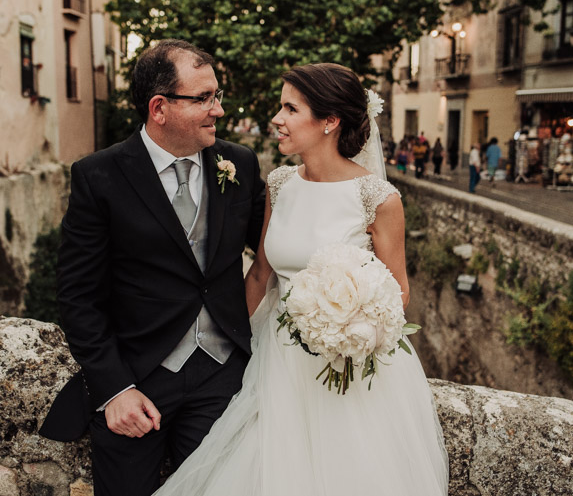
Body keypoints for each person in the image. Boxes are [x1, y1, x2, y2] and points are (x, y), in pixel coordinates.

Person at [150, 63, 449, 496]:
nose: (277, 118)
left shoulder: (378, 198)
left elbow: (398, 291)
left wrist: (347, 323)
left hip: (346, 361)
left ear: (329, 121)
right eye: (280, 106)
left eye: (291, 108)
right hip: (277, 358)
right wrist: (226, 345)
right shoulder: (280, 183)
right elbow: (260, 275)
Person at [39, 40, 267, 496]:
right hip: (138, 377)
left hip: (222, 374)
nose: (218, 110)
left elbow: (274, 250)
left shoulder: (238, 163)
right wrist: (114, 388)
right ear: (159, 108)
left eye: (217, 95)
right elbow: (77, 295)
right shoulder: (98, 176)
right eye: (203, 99)